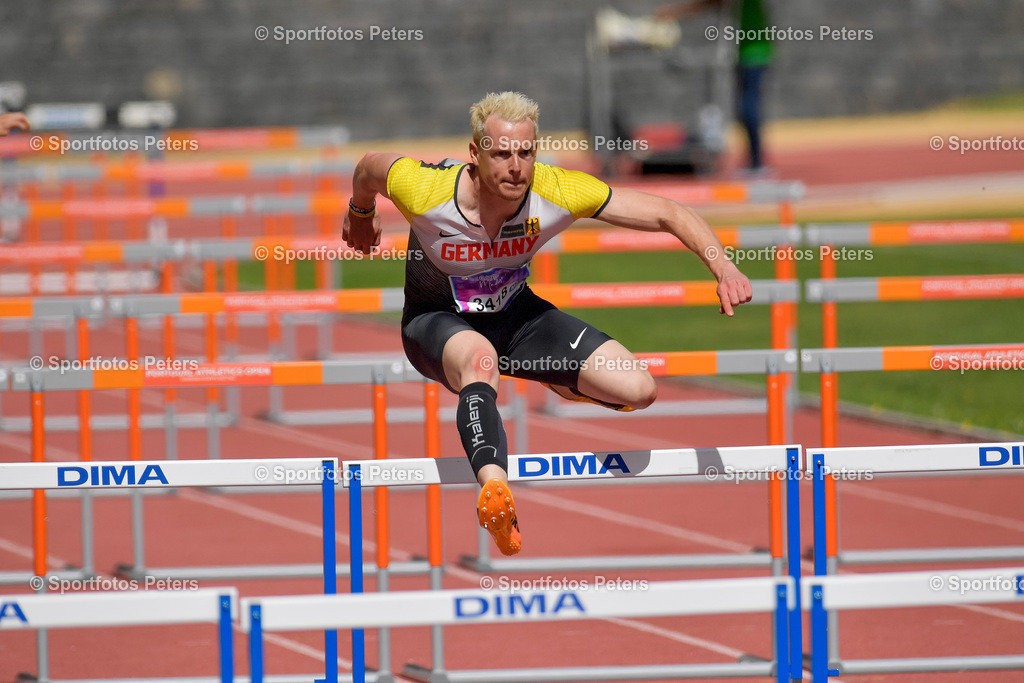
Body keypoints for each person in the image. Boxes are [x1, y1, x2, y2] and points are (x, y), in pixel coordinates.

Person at [344, 91, 751, 556]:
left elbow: (667, 211)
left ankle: (559, 380)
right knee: (480, 359)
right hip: (435, 321)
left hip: (517, 318)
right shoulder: (424, 188)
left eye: (526, 152)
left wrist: (724, 267)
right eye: (502, 154)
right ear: (475, 154)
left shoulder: (555, 189)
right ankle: (495, 492)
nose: (516, 167)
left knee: (639, 389)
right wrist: (361, 212)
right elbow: (368, 167)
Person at [658, 0, 774, 172]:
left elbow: (711, 2)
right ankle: (754, 161)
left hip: (753, 53)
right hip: (745, 53)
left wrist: (676, 11)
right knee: (743, 108)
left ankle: (757, 162)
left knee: (748, 108)